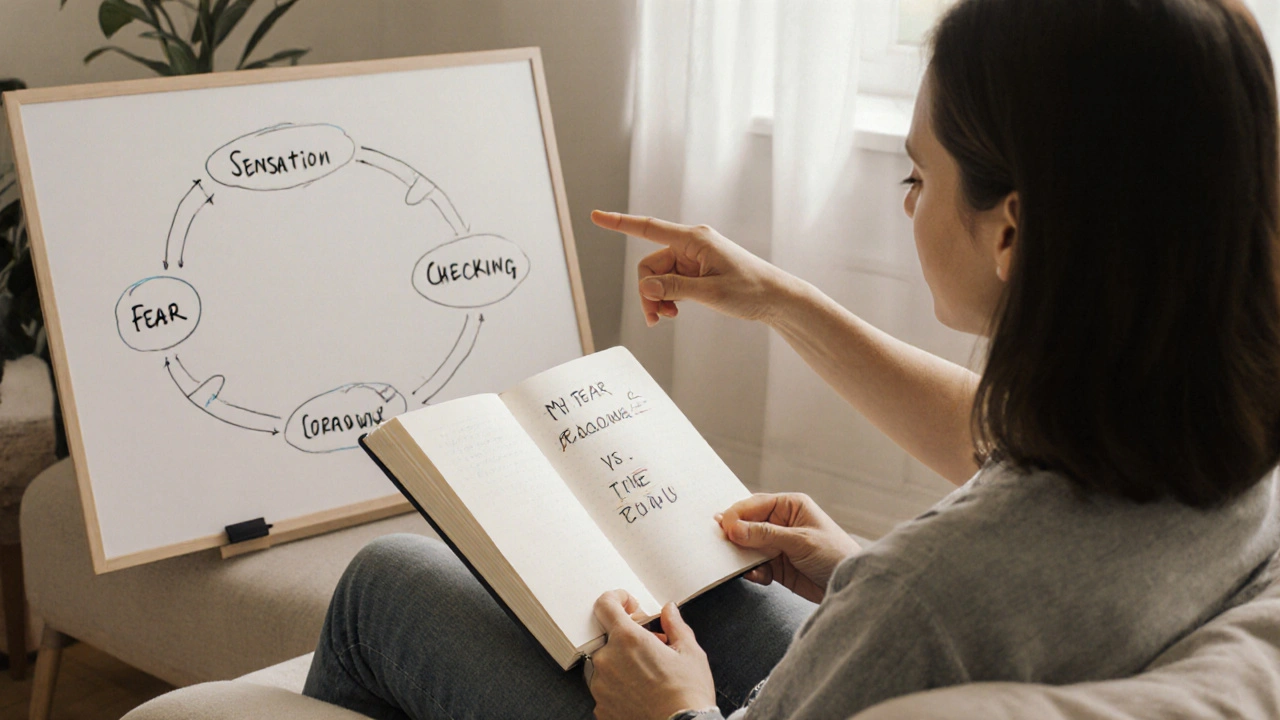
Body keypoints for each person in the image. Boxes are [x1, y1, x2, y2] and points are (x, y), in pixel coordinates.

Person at [302, 0, 1280, 718]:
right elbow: (1005, 468)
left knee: (385, 580)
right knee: (699, 591)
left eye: (918, 174)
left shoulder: (928, 592)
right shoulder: (1223, 437)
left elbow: (946, 592)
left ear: (1010, 232)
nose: (907, 204)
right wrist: (851, 558)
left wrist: (675, 712)